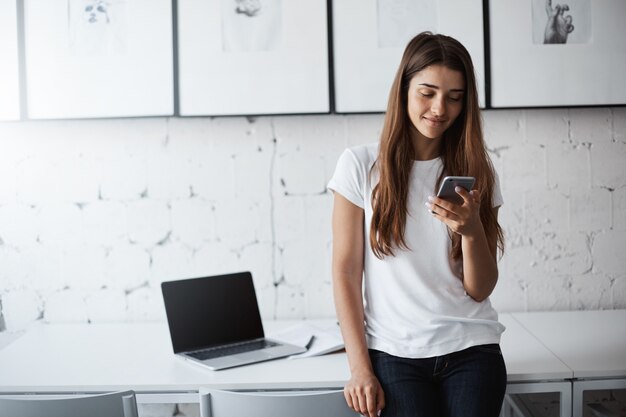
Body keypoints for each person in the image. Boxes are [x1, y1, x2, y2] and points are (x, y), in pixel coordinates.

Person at [327, 32, 506, 417]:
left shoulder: (476, 172)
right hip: (395, 353)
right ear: (403, 89)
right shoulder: (360, 166)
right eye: (427, 92)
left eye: (455, 97)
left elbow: (481, 288)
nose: (440, 108)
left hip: (471, 347)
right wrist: (359, 368)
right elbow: (345, 272)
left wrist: (472, 231)